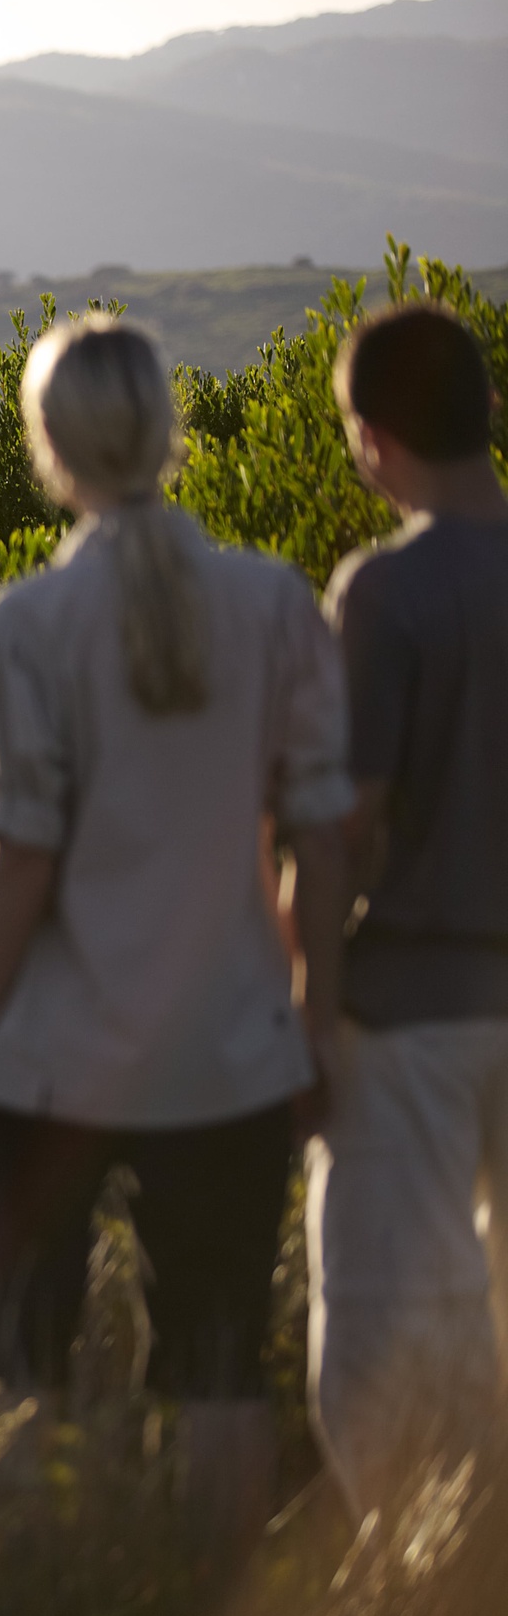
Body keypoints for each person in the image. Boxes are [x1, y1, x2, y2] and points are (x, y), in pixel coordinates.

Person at [0, 315, 353, 1559]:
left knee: (10, 1360)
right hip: (230, 1055)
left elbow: (24, 864)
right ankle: (204, 1604)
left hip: (52, 1060)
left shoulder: (29, 623)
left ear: (47, 445)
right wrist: (311, 1030)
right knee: (219, 1361)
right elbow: (316, 840)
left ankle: (26, 1604)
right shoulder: (271, 600)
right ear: (167, 433)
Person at [310, 302, 508, 1518]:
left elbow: (346, 824)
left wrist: (308, 1013)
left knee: (393, 1327)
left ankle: (431, 1573)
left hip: (415, 1016)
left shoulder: (385, 593)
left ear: (374, 439)